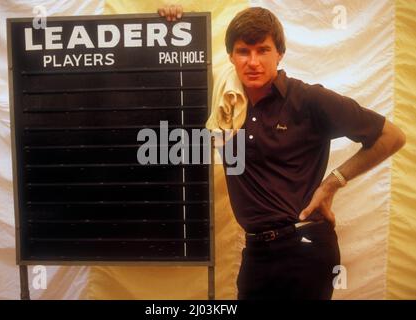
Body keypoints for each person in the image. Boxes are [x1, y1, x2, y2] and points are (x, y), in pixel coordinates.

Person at [158, 4, 406, 299]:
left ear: (280, 53)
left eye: (263, 50)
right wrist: (172, 23)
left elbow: (391, 137)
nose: (253, 61)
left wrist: (332, 183)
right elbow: (172, 80)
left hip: (305, 247)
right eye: (243, 51)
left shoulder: (309, 100)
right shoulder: (226, 102)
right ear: (230, 57)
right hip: (256, 253)